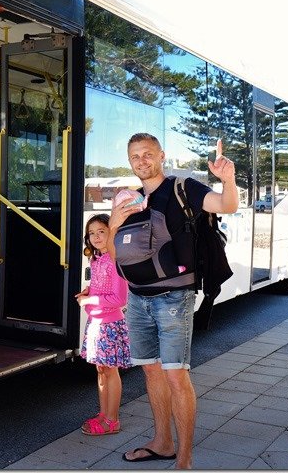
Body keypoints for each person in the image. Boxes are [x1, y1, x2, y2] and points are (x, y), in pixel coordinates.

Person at [110, 133, 238, 469]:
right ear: (130, 160)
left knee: (175, 376)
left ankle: (184, 460)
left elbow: (227, 205)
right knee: (151, 374)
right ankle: (162, 443)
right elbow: (113, 253)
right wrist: (112, 223)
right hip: (137, 299)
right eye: (135, 155)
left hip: (173, 299)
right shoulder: (130, 199)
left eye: (148, 154)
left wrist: (228, 181)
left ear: (161, 155)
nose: (142, 161)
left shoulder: (184, 187)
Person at [76, 213, 132, 436]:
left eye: (102, 231)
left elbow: (120, 299)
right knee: (101, 371)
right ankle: (103, 414)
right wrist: (90, 290)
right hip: (96, 322)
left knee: (110, 371)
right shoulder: (96, 259)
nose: (96, 237)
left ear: (112, 234)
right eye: (92, 233)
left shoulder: (115, 261)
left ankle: (112, 420)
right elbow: (100, 285)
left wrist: (89, 300)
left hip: (110, 324)